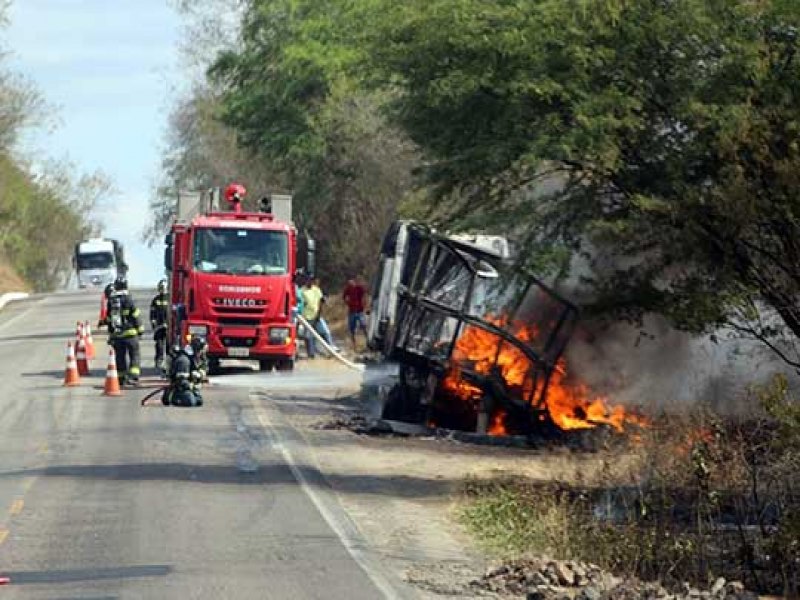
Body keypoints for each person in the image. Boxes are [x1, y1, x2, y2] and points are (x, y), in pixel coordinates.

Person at [106, 275, 144, 386]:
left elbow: (109, 319)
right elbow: (135, 315)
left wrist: (111, 334)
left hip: (118, 335)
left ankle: (121, 378)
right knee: (135, 354)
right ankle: (133, 376)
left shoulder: (111, 300)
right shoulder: (128, 299)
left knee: (120, 357)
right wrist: (140, 329)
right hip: (131, 334)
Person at [162, 335, 206, 407]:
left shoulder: (193, 358)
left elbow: (203, 368)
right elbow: (181, 381)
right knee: (191, 402)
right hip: (179, 389)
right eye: (201, 350)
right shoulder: (184, 361)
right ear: (197, 349)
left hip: (186, 388)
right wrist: (191, 385)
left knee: (198, 401)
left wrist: (199, 375)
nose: (202, 353)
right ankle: (172, 398)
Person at [301, 277, 338, 358]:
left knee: (325, 332)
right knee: (308, 337)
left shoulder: (316, 290)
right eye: (308, 280)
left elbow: (321, 301)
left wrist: (319, 314)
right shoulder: (302, 291)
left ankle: (331, 349)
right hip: (307, 317)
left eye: (311, 280)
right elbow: (301, 304)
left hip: (317, 316)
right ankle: (311, 354)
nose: (310, 282)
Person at [343, 277, 368, 350]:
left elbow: (364, 295)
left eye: (351, 283)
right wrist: (347, 302)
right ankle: (354, 345)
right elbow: (344, 297)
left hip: (360, 310)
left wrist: (365, 305)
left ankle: (367, 341)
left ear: (354, 282)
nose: (350, 285)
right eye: (349, 284)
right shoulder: (348, 289)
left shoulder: (359, 288)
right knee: (352, 329)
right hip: (352, 311)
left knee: (363, 325)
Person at [150, 279, 169, 373]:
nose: (162, 290)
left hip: (169, 327)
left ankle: (169, 362)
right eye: (161, 288)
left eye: (164, 288)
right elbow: (152, 313)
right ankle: (159, 361)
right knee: (159, 345)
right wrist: (154, 324)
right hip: (159, 327)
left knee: (170, 345)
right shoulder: (156, 300)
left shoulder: (170, 298)